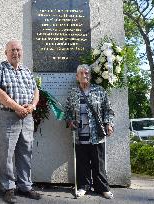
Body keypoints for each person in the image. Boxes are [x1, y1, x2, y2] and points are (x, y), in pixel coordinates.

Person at [0, 39, 41, 203]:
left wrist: (32, 105)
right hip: (7, 116)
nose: (15, 53)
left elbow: (36, 90)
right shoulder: (0, 68)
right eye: (12, 50)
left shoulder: (26, 70)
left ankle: (25, 186)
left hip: (27, 117)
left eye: (18, 49)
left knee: (26, 152)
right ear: (6, 53)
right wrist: (17, 107)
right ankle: (8, 187)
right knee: (7, 153)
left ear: (21, 52)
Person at [65, 64, 115, 199]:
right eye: (81, 73)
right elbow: (68, 111)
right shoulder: (73, 92)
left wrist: (108, 124)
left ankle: (102, 188)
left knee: (99, 163)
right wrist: (69, 121)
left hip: (96, 135)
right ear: (77, 77)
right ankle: (83, 186)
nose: (84, 75)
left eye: (87, 73)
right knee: (82, 163)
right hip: (79, 135)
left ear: (90, 76)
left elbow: (108, 110)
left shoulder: (99, 90)